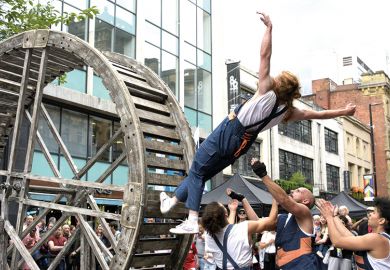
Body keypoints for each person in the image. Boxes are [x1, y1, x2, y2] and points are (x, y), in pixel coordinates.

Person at [159, 12, 356, 234]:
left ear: (279, 84)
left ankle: (192, 218)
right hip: (241, 145)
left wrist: (269, 29)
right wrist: (344, 111)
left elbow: (265, 55)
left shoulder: (265, 91)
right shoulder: (287, 112)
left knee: (196, 171)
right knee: (201, 173)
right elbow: (317, 115)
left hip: (230, 131)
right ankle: (172, 200)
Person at [251, 159, 318, 269]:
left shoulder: (305, 213)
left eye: (298, 191)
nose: (292, 191)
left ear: (305, 201)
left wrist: (263, 175)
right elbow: (258, 222)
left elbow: (284, 200)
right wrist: (242, 200)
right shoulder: (283, 218)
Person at [202, 198, 278, 270]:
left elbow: (227, 230)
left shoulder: (209, 234)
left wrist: (232, 211)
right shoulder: (243, 227)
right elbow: (271, 222)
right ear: (225, 214)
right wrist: (275, 199)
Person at [316, 198, 390, 270]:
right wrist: (334, 216)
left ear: (381, 221)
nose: (369, 214)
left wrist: (328, 217)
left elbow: (337, 242)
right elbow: (349, 236)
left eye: (374, 212)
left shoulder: (377, 239)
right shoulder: (379, 238)